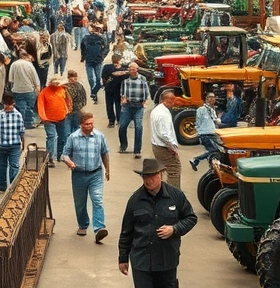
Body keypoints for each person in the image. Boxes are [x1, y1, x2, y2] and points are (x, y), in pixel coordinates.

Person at [118, 158, 197, 288]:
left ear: (160, 174)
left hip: (167, 260)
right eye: (145, 177)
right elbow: (126, 232)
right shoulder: (135, 200)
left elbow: (191, 218)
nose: (148, 181)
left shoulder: (175, 196)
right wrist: (123, 258)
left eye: (152, 176)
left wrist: (175, 229)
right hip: (142, 261)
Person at [62, 111, 111, 243]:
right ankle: (83, 225)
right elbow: (64, 154)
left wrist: (107, 169)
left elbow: (104, 153)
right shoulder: (73, 137)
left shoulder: (99, 136)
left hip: (95, 174)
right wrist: (69, 162)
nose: (89, 126)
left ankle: (99, 228)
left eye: (91, 123)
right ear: (81, 124)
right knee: (80, 203)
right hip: (78, 175)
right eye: (86, 124)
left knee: (97, 199)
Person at [0, 94, 26, 193]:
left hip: (15, 145)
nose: (10, 107)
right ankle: (2, 187)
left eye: (11, 104)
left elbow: (22, 131)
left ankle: (13, 186)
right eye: (7, 104)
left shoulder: (18, 115)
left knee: (14, 165)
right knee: (2, 166)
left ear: (13, 103)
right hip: (1, 145)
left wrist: (23, 143)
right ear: (4, 104)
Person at [37, 76, 72, 166]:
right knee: (51, 136)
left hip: (62, 118)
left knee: (62, 137)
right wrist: (43, 117)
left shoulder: (63, 90)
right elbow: (40, 105)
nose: (56, 84)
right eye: (55, 82)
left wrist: (68, 110)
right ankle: (49, 158)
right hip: (48, 119)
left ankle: (60, 155)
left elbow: (67, 100)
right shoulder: (44, 92)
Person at [119, 62, 151, 158]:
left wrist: (145, 101)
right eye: (130, 69)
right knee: (122, 126)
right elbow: (122, 91)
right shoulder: (125, 81)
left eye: (134, 69)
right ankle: (123, 145)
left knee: (138, 127)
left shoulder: (142, 79)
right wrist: (123, 99)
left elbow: (146, 90)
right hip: (127, 107)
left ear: (137, 69)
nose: (132, 71)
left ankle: (137, 150)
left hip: (138, 107)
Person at [149, 99, 181, 189]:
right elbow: (165, 134)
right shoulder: (163, 115)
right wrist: (172, 148)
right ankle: (173, 194)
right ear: (167, 101)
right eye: (172, 100)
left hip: (156, 146)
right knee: (174, 169)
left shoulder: (156, 110)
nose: (174, 103)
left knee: (161, 170)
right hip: (164, 148)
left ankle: (160, 192)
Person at [8, 50, 41, 129]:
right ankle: (28, 123)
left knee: (20, 107)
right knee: (29, 107)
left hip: (17, 90)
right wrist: (37, 88)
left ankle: (19, 123)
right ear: (25, 56)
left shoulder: (14, 64)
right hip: (29, 90)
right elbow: (35, 78)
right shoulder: (30, 65)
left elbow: (11, 79)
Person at [191, 92, 220, 171]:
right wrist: (199, 133)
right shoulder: (201, 110)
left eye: (213, 97)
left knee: (214, 151)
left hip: (212, 132)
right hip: (205, 134)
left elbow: (214, 120)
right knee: (214, 150)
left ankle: (209, 165)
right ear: (206, 99)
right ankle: (196, 159)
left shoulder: (212, 109)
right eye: (210, 97)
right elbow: (198, 122)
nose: (212, 99)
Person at [80, 25, 109, 97]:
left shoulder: (101, 38)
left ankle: (94, 91)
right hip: (89, 60)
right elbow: (82, 47)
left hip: (98, 60)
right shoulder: (86, 38)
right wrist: (83, 56)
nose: (95, 32)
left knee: (98, 78)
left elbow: (106, 48)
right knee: (90, 78)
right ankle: (93, 91)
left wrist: (102, 55)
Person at [101, 54, 129, 126]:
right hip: (119, 89)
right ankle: (119, 120)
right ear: (119, 60)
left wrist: (105, 85)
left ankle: (111, 121)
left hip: (109, 88)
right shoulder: (123, 68)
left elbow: (103, 77)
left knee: (109, 105)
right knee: (119, 105)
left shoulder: (107, 67)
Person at [64, 69, 89, 134]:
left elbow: (84, 98)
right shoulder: (78, 86)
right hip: (72, 111)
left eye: (75, 78)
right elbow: (84, 99)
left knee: (72, 129)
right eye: (72, 77)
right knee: (74, 128)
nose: (73, 79)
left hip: (73, 111)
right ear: (68, 78)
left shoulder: (65, 87)